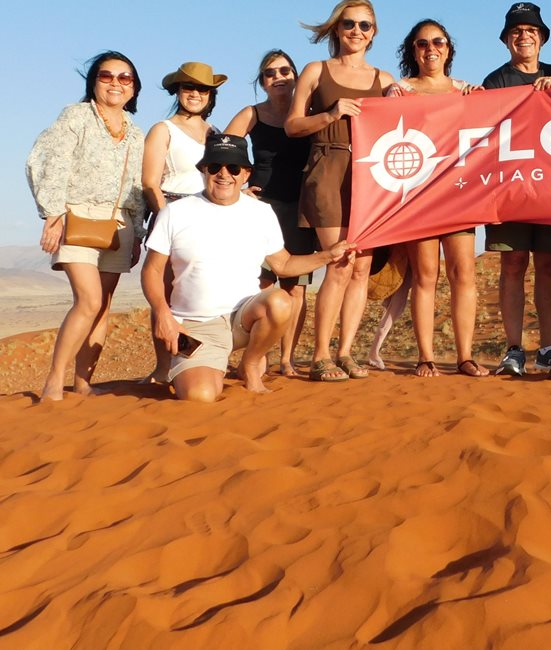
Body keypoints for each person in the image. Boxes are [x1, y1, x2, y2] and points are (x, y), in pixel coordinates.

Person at [142, 133, 353, 401]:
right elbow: (152, 270)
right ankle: (199, 367)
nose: (224, 174)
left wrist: (328, 255)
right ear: (203, 170)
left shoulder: (261, 212)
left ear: (245, 174)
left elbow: (284, 264)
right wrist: (163, 315)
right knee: (200, 395)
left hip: (244, 320)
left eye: (233, 168)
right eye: (215, 166)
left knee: (280, 301)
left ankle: (250, 364)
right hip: (196, 326)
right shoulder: (175, 211)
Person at [286, 0, 396, 383]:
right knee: (339, 262)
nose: (356, 31)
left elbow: (420, 116)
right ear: (336, 28)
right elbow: (292, 125)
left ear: (374, 33)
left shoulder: (384, 80)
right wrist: (331, 115)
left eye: (365, 25)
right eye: (349, 23)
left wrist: (466, 92)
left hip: (370, 174)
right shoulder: (317, 70)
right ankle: (320, 356)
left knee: (362, 267)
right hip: (327, 166)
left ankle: (346, 352)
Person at [26, 51, 146, 401]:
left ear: (134, 88)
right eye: (106, 76)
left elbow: (137, 187)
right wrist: (52, 214)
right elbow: (48, 161)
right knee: (89, 300)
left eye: (124, 78)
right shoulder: (75, 117)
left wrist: (137, 233)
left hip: (119, 223)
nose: (115, 83)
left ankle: (82, 382)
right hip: (76, 216)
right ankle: (53, 381)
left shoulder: (137, 135)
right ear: (93, 82)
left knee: (104, 304)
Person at [384, 19, 488, 377]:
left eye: (438, 42)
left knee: (464, 273)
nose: (431, 49)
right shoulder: (399, 91)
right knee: (426, 275)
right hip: (419, 195)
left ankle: (465, 356)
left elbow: (492, 123)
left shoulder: (466, 90)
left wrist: (482, 99)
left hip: (460, 193)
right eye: (422, 44)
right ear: (412, 51)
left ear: (448, 48)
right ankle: (425, 356)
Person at [481, 2, 551, 377]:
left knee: (549, 265)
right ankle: (514, 348)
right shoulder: (496, 80)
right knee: (513, 263)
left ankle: (549, 346)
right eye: (516, 31)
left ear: (543, 38)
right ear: (506, 40)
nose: (524, 36)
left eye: (531, 30)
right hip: (510, 189)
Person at [224, 50, 314, 377]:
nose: (279, 77)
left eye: (285, 71)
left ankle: (287, 359)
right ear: (262, 82)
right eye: (270, 73)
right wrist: (237, 187)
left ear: (295, 76)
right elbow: (224, 148)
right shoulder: (252, 114)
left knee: (296, 288)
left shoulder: (308, 113)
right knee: (260, 284)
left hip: (301, 210)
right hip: (259, 211)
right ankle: (255, 357)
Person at [141, 62, 226, 382]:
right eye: (188, 87)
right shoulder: (163, 129)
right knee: (165, 294)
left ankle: (198, 361)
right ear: (177, 91)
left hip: (211, 216)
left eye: (202, 89)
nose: (195, 94)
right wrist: (167, 219)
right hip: (172, 210)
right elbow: (150, 181)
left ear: (210, 95)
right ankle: (163, 368)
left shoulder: (215, 133)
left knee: (201, 293)